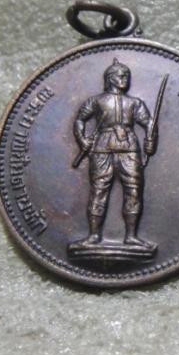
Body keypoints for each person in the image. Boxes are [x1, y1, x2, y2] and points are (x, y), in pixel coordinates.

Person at [73, 58, 157, 247]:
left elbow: (149, 123)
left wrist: (150, 140)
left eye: (127, 75)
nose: (125, 79)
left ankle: (131, 236)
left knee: (133, 190)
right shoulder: (96, 101)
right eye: (121, 75)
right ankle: (94, 236)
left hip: (129, 148)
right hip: (102, 148)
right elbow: (79, 119)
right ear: (110, 78)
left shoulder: (134, 102)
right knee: (98, 189)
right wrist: (82, 139)